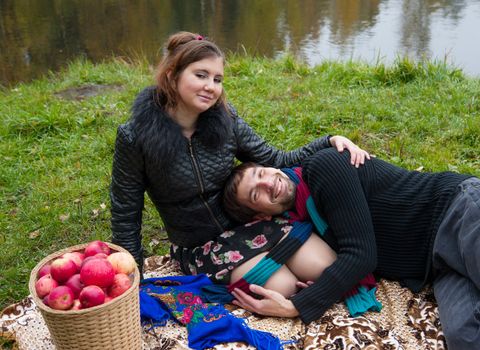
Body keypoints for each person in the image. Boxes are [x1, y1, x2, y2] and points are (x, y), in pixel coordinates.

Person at [109, 31, 370, 282]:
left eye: (217, 79)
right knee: (284, 285)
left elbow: (275, 159)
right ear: (172, 75)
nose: (210, 87)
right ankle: (260, 268)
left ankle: (266, 261)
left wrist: (329, 141)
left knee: (324, 267)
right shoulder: (135, 138)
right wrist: (132, 278)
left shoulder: (226, 119)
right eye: (201, 75)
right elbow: (126, 214)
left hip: (247, 226)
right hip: (199, 245)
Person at [223, 147, 480, 349]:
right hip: (437, 265)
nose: (268, 182)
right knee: (472, 336)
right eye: (256, 192)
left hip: (462, 213)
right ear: (261, 216)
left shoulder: (323, 167)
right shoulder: (303, 225)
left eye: (261, 172)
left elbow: (361, 254)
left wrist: (297, 306)